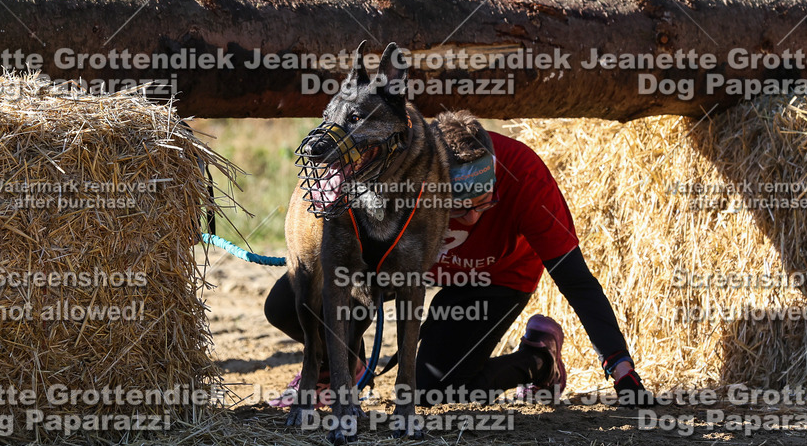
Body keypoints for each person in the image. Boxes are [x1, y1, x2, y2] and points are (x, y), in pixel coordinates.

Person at [264, 112, 650, 407]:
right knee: (287, 304)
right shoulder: (398, 173)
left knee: (432, 389)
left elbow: (576, 281)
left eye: (486, 204)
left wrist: (619, 367)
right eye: (461, 208)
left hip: (494, 275)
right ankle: (346, 364)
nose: (474, 219)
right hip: (405, 269)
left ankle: (539, 362)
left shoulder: (525, 177)